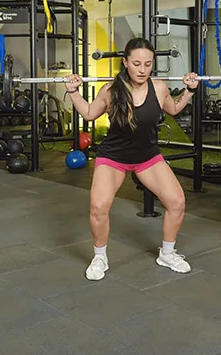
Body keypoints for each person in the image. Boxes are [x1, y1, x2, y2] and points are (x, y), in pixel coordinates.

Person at [64, 37, 198, 281]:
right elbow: (89, 113)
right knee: (98, 207)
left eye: (148, 64)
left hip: (147, 156)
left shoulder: (159, 88)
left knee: (177, 202)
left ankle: (167, 253)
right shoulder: (111, 90)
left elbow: (174, 109)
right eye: (137, 63)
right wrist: (73, 91)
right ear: (125, 62)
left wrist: (189, 90)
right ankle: (100, 256)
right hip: (113, 157)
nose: (142, 69)